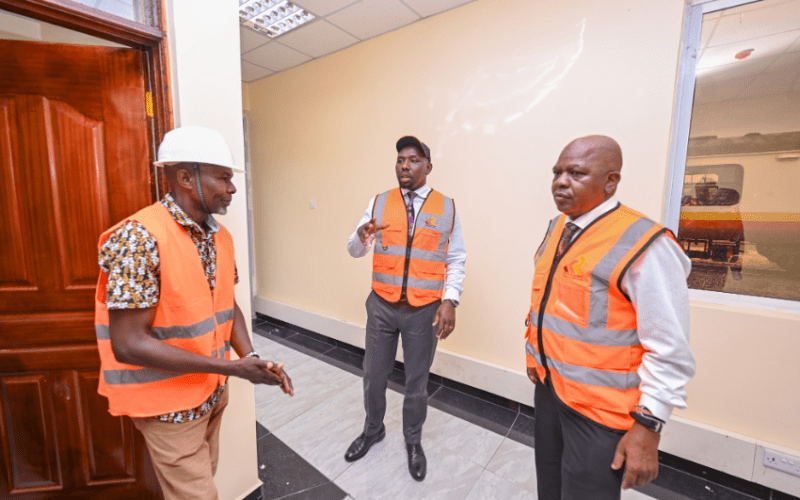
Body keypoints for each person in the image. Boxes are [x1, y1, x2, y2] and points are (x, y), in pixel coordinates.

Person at [94, 126, 293, 500]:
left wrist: (248, 356)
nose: (232, 188)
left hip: (211, 392)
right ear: (185, 178)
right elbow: (128, 344)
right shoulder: (139, 238)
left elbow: (226, 305)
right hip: (168, 406)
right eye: (223, 177)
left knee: (201, 484)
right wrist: (232, 369)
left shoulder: (220, 237)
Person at [525, 135, 696, 499]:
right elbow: (549, 302)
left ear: (610, 181)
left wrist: (649, 425)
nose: (560, 181)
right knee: (550, 490)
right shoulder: (558, 228)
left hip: (601, 415)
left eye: (576, 173)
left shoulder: (644, 243)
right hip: (551, 391)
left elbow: (669, 348)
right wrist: (534, 355)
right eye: (557, 172)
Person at [344, 136, 466, 481]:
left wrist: (450, 299)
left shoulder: (447, 207)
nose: (404, 166)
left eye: (413, 160)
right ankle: (372, 430)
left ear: (428, 166)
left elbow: (456, 258)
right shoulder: (379, 202)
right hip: (382, 304)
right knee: (373, 376)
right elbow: (355, 250)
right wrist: (361, 234)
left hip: (424, 310)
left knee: (416, 382)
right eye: (400, 160)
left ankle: (413, 441)